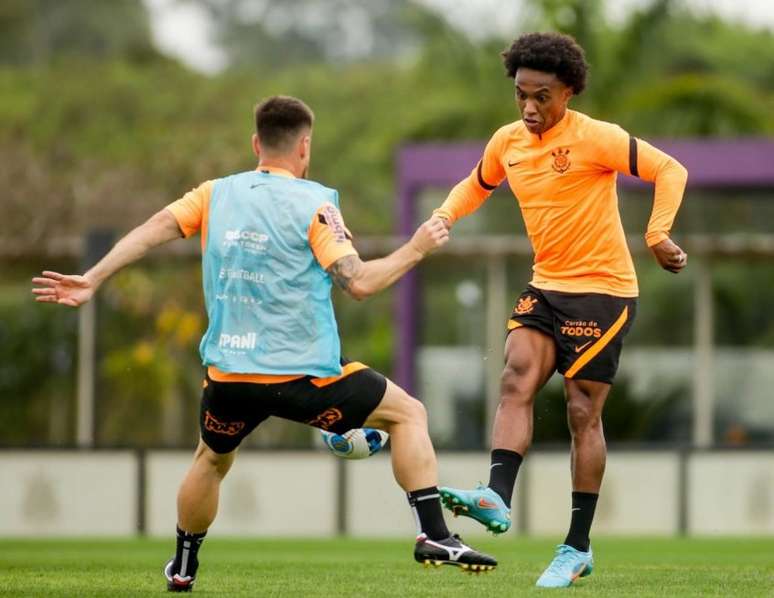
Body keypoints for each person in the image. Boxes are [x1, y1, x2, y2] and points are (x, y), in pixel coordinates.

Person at [32, 95, 496, 592]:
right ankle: (435, 534)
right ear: (305, 147)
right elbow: (358, 282)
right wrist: (416, 247)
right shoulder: (315, 203)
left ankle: (183, 566)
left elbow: (151, 231)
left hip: (230, 377)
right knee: (408, 414)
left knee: (210, 459)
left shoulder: (214, 194)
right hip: (306, 377)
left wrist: (94, 277)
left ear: (256, 143)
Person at [433, 33, 688, 588]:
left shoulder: (596, 137)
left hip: (603, 290)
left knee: (580, 412)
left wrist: (658, 232)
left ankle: (577, 545)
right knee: (515, 376)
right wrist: (444, 218)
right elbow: (476, 185)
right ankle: (497, 497)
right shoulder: (509, 141)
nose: (529, 107)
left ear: (568, 91)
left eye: (542, 96)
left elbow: (672, 170)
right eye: (521, 94)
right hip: (546, 285)